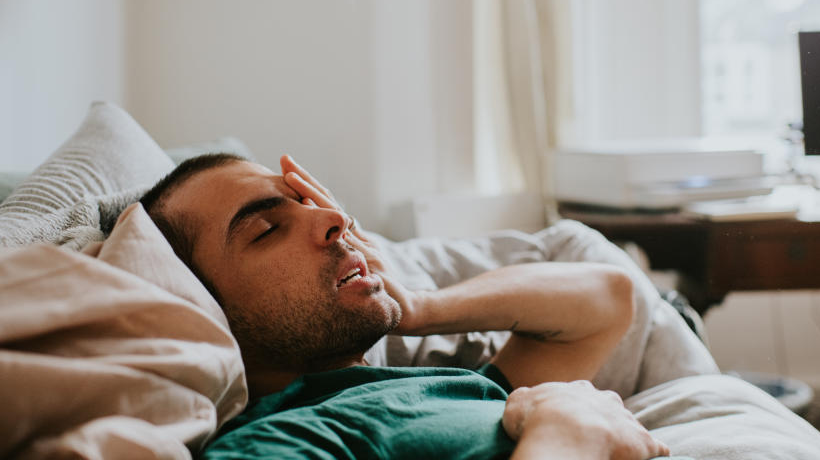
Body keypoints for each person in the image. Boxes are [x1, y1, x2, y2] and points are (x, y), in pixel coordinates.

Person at [140, 153, 672, 459]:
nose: (334, 220)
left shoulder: (445, 391)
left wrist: (421, 307)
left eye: (312, 203)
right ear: (202, 305)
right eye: (266, 229)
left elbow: (607, 299)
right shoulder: (279, 441)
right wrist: (568, 434)